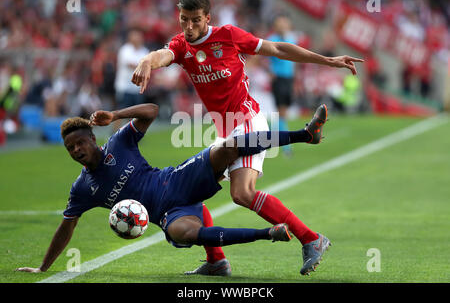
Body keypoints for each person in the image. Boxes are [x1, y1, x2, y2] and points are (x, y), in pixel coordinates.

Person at [131, 0, 362, 274]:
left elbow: (278, 49)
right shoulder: (181, 45)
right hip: (224, 133)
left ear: (208, 19)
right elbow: (162, 55)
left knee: (242, 193)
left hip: (248, 122)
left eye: (195, 21)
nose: (188, 27)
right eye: (183, 20)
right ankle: (216, 261)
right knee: (191, 192)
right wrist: (146, 61)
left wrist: (328, 60)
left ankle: (311, 239)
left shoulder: (228, 35)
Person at [15, 102, 330, 276]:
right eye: (69, 148)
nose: (75, 150)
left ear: (93, 139)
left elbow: (151, 110)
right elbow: (65, 228)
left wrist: (116, 115)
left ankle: (305, 135)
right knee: (182, 233)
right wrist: (43, 266)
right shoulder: (82, 188)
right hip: (167, 213)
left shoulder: (119, 143)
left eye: (80, 142)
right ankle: (244, 248)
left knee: (228, 147)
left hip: (176, 178)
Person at [267, 14, 297, 156]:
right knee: (281, 112)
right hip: (279, 79)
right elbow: (262, 58)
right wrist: (270, 71)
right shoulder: (272, 40)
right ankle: (286, 147)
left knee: (282, 112)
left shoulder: (291, 39)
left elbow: (294, 60)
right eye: (280, 24)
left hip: (289, 79)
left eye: (284, 23)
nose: (283, 26)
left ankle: (270, 139)